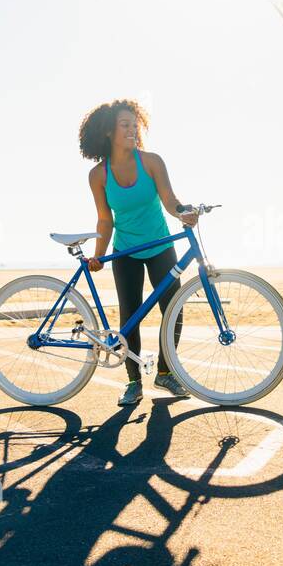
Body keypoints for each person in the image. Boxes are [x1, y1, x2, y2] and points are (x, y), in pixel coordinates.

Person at [79, 98, 197, 405]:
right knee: (129, 316)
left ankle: (166, 373)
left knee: (173, 309)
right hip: (125, 251)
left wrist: (182, 212)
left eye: (135, 125)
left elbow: (170, 199)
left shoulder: (152, 162)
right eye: (124, 125)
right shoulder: (99, 176)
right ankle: (133, 382)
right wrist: (99, 255)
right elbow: (105, 219)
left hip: (160, 245)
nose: (132, 130)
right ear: (108, 132)